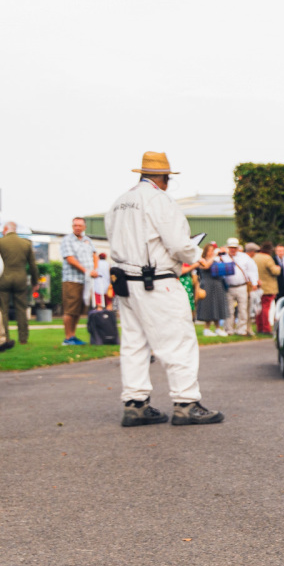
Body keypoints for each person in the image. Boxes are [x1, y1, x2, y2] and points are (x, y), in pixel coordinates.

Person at [105, 151, 223, 426]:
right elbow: (179, 244)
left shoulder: (120, 202)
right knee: (178, 341)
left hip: (127, 279)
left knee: (135, 343)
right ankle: (186, 402)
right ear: (165, 178)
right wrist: (197, 256)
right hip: (156, 280)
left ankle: (135, 403)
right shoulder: (159, 200)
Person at [60, 216, 98, 345]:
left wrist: (95, 269)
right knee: (70, 309)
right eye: (75, 225)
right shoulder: (67, 240)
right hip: (72, 279)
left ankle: (73, 335)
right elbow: (70, 259)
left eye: (79, 225)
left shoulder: (88, 240)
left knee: (78, 310)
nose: (77, 228)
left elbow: (94, 255)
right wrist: (85, 270)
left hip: (86, 281)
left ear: (84, 227)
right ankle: (67, 337)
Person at [0, 220, 38, 345]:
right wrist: (35, 282)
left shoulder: (1, 242)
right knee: (21, 309)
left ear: (6, 229)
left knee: (3, 310)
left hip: (3, 279)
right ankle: (23, 338)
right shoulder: (26, 243)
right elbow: (33, 266)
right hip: (21, 280)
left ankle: (5, 337)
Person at [219, 238, 257, 335]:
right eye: (231, 248)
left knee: (242, 309)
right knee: (229, 310)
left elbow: (252, 270)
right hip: (228, 287)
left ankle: (241, 329)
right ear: (228, 248)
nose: (233, 250)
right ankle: (229, 329)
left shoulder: (244, 257)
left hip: (242, 286)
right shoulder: (222, 258)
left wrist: (254, 282)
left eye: (234, 248)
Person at [195, 242, 228, 336]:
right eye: (210, 251)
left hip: (217, 284)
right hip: (207, 284)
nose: (212, 252)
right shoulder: (201, 260)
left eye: (213, 251)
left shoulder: (217, 260)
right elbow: (206, 266)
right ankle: (207, 328)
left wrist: (222, 257)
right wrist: (214, 257)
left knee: (217, 306)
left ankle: (218, 328)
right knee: (208, 307)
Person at [251, 240, 281, 333]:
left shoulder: (255, 257)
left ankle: (259, 327)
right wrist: (278, 268)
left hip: (257, 286)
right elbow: (274, 271)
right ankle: (266, 328)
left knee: (259, 308)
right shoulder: (267, 258)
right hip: (267, 287)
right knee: (266, 308)